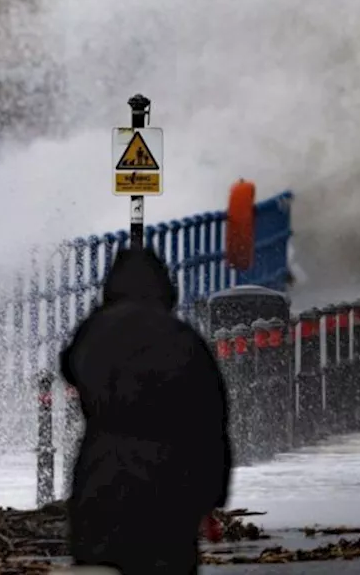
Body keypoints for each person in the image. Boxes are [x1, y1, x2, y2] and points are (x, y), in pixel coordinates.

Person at [59, 246, 233, 575]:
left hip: (101, 476)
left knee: (102, 565)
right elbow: (211, 423)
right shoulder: (182, 338)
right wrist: (211, 497)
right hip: (169, 484)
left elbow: (69, 367)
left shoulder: (95, 331)